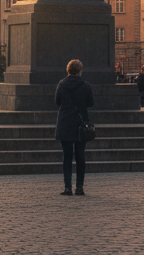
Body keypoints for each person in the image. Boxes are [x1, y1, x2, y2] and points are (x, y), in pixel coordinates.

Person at [55, 58, 94, 196]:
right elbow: (90, 103)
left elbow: (57, 101)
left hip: (65, 122)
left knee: (67, 156)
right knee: (80, 156)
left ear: (68, 70)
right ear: (80, 71)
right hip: (80, 124)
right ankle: (79, 187)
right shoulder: (86, 85)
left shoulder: (61, 84)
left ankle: (67, 187)